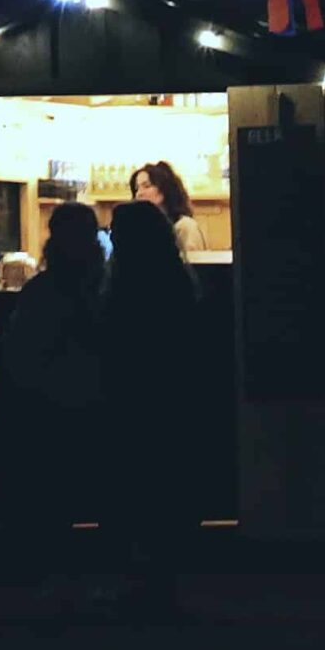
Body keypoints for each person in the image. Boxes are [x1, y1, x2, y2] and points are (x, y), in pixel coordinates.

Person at [0, 203, 106, 582]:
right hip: (96, 404)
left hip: (47, 404)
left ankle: (49, 574)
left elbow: (20, 352)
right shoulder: (108, 287)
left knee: (50, 498)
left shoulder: (42, 290)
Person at [100, 199, 200, 610]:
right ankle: (161, 581)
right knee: (162, 489)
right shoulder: (175, 280)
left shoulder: (125, 285)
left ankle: (141, 580)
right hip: (170, 400)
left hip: (133, 401)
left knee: (135, 489)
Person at [132, 162, 207, 259]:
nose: (139, 194)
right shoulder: (142, 229)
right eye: (137, 188)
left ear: (164, 189)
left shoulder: (184, 227)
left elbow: (194, 265)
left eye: (147, 186)